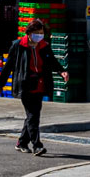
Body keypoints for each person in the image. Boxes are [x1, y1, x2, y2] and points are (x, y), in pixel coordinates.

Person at [7, 20, 56, 156]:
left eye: (41, 33)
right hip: (25, 85)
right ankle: (37, 145)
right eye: (37, 33)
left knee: (32, 116)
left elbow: (52, 61)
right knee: (33, 115)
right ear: (29, 33)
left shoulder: (44, 46)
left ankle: (22, 142)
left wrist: (62, 71)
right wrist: (0, 84)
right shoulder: (18, 46)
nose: (39, 35)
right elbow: (9, 65)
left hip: (39, 85)